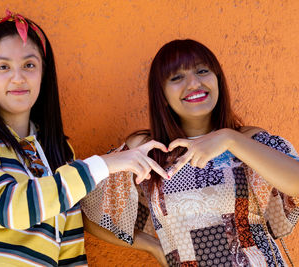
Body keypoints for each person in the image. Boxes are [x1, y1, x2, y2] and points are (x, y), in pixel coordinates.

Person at [0, 10, 169, 267]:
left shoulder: (57, 150)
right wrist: (104, 165)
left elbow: (69, 247)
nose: (18, 77)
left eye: (29, 65)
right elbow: (6, 206)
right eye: (3, 66)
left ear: (44, 73)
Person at [81, 39, 299, 266]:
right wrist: (153, 246)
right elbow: (90, 209)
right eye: (177, 77)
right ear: (162, 96)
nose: (194, 83)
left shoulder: (248, 140)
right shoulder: (150, 151)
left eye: (202, 71)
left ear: (218, 80)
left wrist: (229, 138)